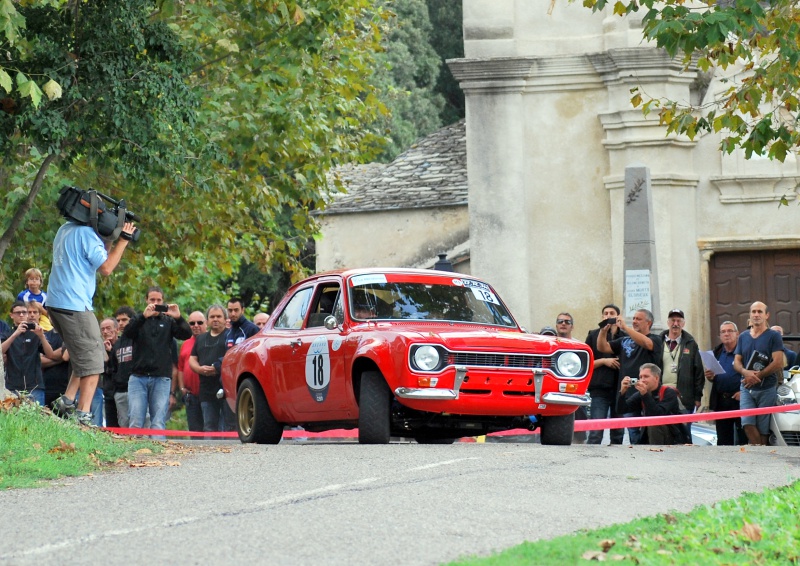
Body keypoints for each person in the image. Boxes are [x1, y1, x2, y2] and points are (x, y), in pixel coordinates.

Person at [48, 212, 135, 426]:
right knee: (95, 361)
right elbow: (106, 268)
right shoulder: (87, 234)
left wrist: (108, 241)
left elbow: (94, 259)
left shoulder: (65, 229)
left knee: (83, 354)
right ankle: (83, 415)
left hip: (56, 302)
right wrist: (123, 240)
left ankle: (67, 400)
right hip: (74, 305)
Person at [123, 287, 191, 433]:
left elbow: (186, 334)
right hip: (138, 377)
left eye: (158, 300)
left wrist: (178, 317)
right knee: (135, 420)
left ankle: (158, 453)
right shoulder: (138, 319)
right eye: (152, 300)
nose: (155, 303)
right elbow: (127, 333)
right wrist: (143, 316)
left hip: (161, 378)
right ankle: (134, 454)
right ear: (146, 300)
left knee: (158, 422)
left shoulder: (168, 321)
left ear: (163, 301)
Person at [597, 308, 663, 445]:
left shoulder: (655, 339)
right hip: (628, 394)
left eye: (638, 319)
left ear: (649, 323)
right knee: (633, 432)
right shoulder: (624, 340)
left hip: (648, 394)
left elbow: (647, 343)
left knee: (650, 430)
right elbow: (602, 347)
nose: (634, 321)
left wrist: (625, 327)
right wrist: (603, 331)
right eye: (633, 318)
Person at [732, 301, 783, 445]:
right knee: (747, 423)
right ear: (749, 315)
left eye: (760, 312)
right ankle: (761, 451)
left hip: (767, 388)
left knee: (763, 427)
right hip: (747, 388)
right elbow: (736, 361)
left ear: (767, 315)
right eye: (753, 312)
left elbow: (778, 362)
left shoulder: (774, 336)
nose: (756, 315)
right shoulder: (743, 336)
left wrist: (757, 376)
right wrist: (745, 372)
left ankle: (761, 455)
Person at [1, 301, 60, 404]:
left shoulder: (35, 334)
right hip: (12, 386)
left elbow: (50, 354)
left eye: (24, 312)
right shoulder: (7, 334)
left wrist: (41, 336)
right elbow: (1, 351)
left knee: (36, 418)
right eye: (18, 313)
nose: (21, 315)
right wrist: (16, 334)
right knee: (14, 419)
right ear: (11, 315)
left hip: (34, 386)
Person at [584, 304, 626, 445]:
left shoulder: (625, 336)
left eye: (611, 313)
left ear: (618, 316)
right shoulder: (593, 335)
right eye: (605, 313)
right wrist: (603, 361)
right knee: (596, 430)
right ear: (602, 317)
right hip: (600, 389)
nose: (608, 315)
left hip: (620, 390)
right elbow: (586, 363)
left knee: (618, 432)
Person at [616, 363, 686, 445]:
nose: (642, 380)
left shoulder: (669, 392)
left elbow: (657, 415)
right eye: (640, 377)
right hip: (648, 435)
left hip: (671, 436)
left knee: (654, 424)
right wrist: (622, 392)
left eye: (646, 376)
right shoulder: (641, 393)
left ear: (656, 378)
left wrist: (645, 395)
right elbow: (621, 410)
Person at [189, 305, 231, 432]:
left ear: (225, 319)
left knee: (228, 427)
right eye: (212, 317)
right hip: (206, 390)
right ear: (207, 321)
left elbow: (233, 357)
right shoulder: (200, 338)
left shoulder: (231, 336)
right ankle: (210, 452)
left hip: (226, 389)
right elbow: (192, 358)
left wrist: (216, 368)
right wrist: (199, 369)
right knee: (209, 425)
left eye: (219, 316)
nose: (215, 319)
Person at [706, 321, 744, 445]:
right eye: (723, 332)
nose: (726, 334)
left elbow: (752, 373)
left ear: (737, 334)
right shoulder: (717, 352)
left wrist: (744, 392)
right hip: (721, 401)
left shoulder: (744, 352)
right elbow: (714, 378)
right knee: (723, 439)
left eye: (729, 331)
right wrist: (710, 377)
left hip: (740, 400)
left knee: (742, 437)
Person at [658, 308, 704, 411]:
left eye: (679, 321)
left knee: (684, 427)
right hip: (661, 396)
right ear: (668, 322)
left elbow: (699, 372)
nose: (675, 324)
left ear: (683, 324)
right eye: (673, 320)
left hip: (684, 398)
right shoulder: (658, 342)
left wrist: (697, 397)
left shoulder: (691, 344)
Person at [177, 310, 206, 432]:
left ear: (206, 323)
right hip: (190, 395)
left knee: (210, 429)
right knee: (194, 430)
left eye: (199, 322)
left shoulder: (211, 339)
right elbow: (180, 368)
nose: (196, 325)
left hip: (208, 395)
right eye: (192, 323)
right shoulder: (185, 344)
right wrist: (182, 388)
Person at [111, 306, 136, 427]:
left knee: (140, 423)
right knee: (124, 424)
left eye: (124, 320)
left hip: (137, 389)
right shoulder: (117, 344)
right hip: (120, 390)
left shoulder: (138, 339)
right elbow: (113, 367)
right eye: (118, 320)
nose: (121, 323)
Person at [100, 317, 119, 427]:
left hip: (123, 391)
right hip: (108, 392)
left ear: (117, 329)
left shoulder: (123, 345)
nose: (105, 332)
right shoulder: (100, 347)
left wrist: (111, 352)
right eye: (103, 329)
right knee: (111, 427)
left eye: (108, 328)